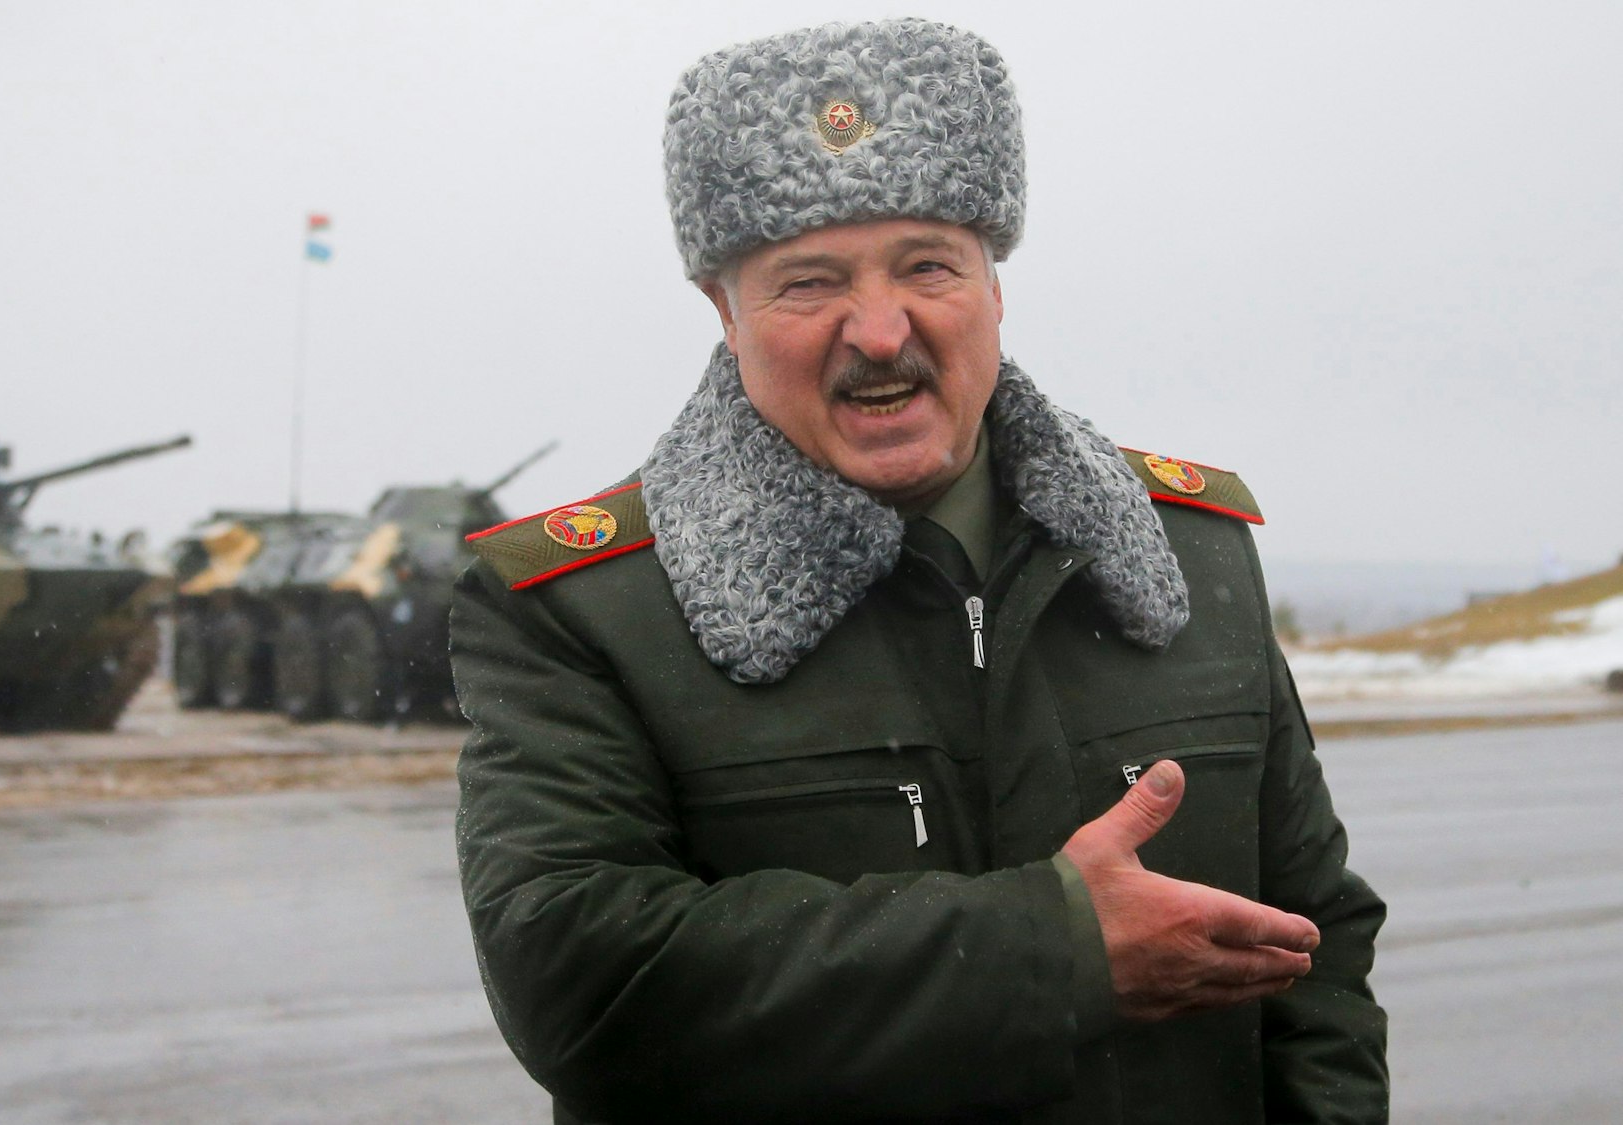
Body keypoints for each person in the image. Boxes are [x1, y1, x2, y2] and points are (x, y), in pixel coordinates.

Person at [451, 18, 1386, 1124]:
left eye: (926, 266)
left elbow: (1314, 947)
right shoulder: (587, 608)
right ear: (725, 312)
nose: (880, 331)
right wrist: (1055, 949)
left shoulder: (1186, 549)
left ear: (993, 286)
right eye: (807, 282)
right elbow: (582, 987)